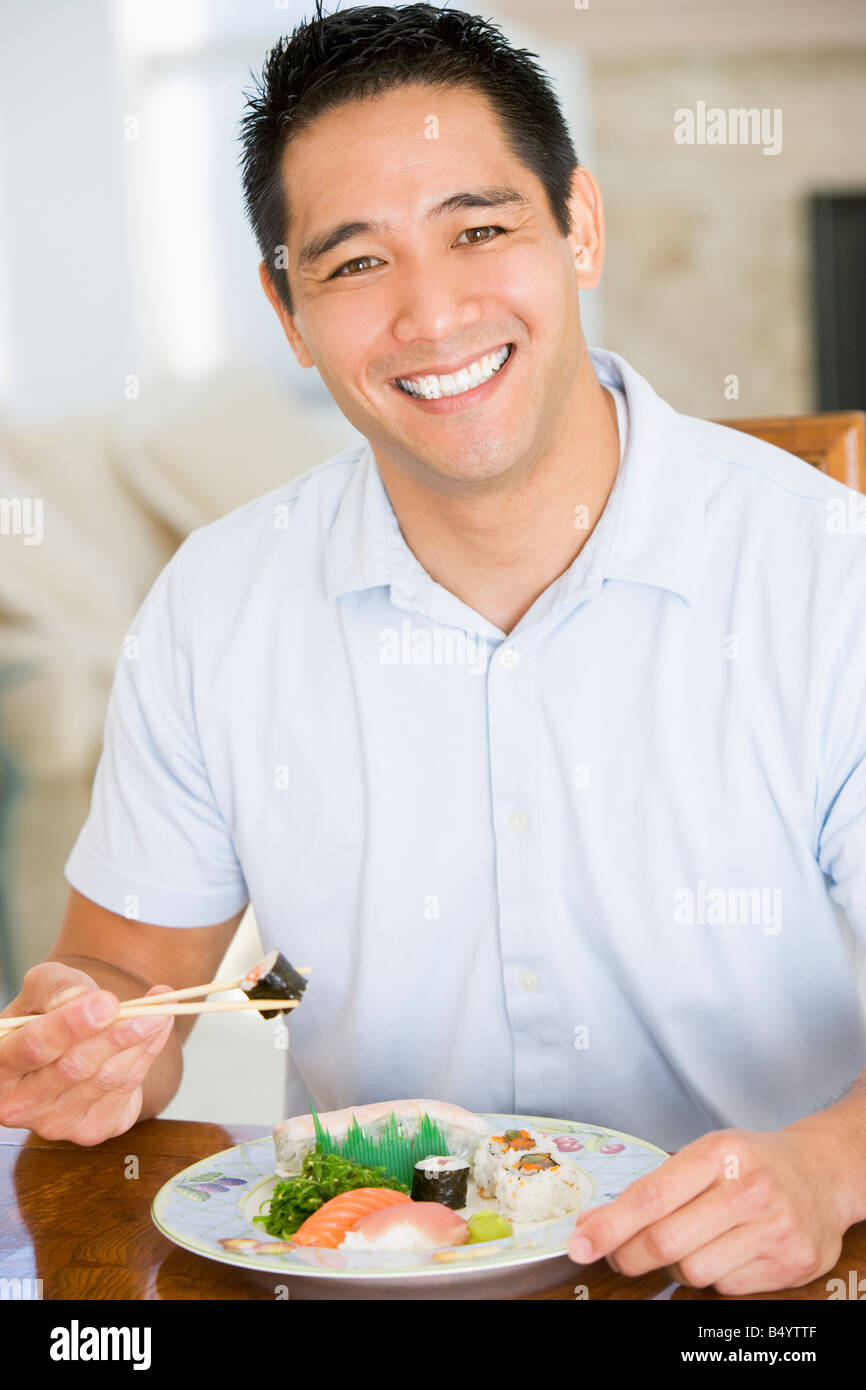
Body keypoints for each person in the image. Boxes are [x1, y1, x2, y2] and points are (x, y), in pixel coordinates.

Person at [2, 2, 865, 1296]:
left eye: (480, 231)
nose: (431, 311)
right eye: (353, 264)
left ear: (579, 226)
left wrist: (829, 1167)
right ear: (286, 309)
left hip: (770, 1283)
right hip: (376, 1268)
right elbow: (130, 975)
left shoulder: (826, 573)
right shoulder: (220, 602)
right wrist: (83, 1038)